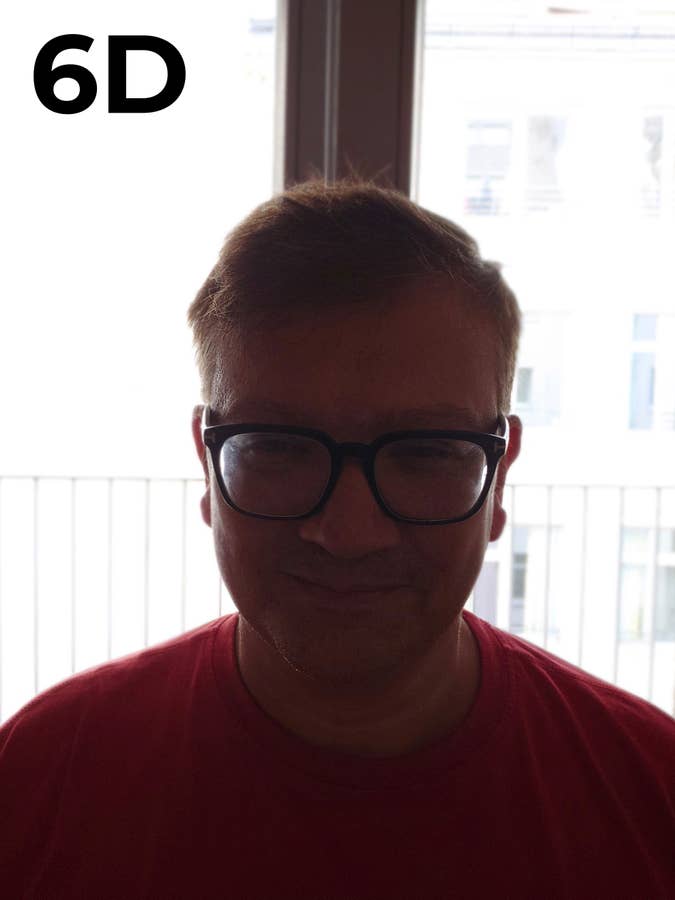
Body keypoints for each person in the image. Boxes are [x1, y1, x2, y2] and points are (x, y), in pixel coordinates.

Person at [1, 181, 673, 900]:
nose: (348, 534)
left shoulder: (652, 793)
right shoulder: (40, 776)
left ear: (499, 478)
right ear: (207, 462)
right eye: (277, 446)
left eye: (424, 452)